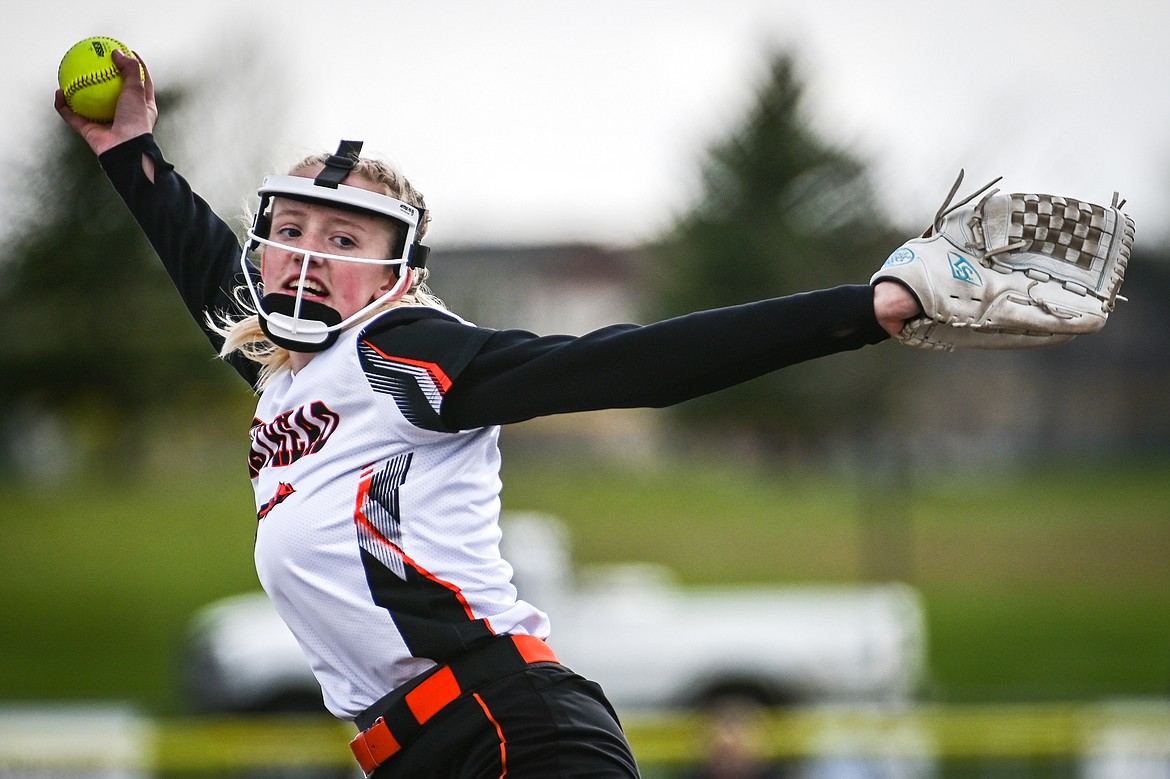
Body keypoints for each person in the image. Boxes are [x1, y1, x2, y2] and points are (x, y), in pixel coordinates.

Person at [56, 49, 921, 779]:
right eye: (292, 230)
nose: (309, 255)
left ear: (398, 272)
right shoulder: (292, 377)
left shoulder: (399, 347)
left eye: (345, 239)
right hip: (422, 747)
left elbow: (628, 365)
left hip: (511, 730)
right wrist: (127, 146)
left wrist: (858, 310)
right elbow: (199, 259)